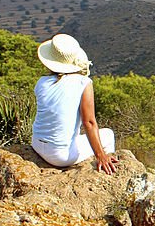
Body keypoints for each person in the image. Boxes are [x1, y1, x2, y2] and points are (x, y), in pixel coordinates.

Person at [31, 34, 119, 174]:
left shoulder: (41, 82)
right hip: (60, 156)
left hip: (36, 144)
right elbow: (89, 122)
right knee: (108, 134)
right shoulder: (83, 83)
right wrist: (100, 155)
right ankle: (107, 168)